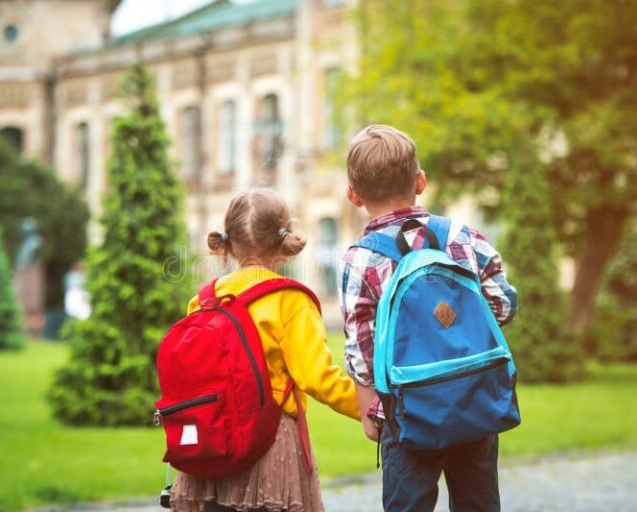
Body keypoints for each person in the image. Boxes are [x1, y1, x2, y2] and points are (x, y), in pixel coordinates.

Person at [339, 125, 519, 512]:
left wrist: (369, 411)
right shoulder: (461, 236)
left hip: (406, 410)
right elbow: (504, 304)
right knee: (478, 502)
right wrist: (454, 326)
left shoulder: (360, 259)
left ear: (354, 196)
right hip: (475, 398)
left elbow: (361, 348)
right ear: (420, 181)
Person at [171, 188, 361, 512]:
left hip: (212, 440)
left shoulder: (203, 299)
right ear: (282, 242)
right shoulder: (291, 301)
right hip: (269, 444)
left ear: (228, 244)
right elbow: (318, 378)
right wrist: (370, 408)